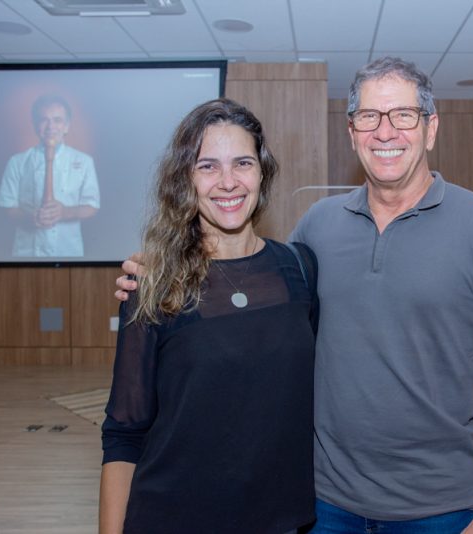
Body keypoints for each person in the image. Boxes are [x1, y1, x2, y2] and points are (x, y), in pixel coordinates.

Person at [117, 57, 473, 533]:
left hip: (444, 508)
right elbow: (250, 284)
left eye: (402, 115)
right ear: (351, 131)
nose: (385, 132)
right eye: (368, 117)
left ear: (430, 128)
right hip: (323, 505)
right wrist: (158, 266)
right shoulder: (317, 228)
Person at [99, 98, 319, 534]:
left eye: (242, 162)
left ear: (262, 172)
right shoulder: (153, 283)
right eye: (207, 166)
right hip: (172, 518)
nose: (228, 182)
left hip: (279, 520)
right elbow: (123, 432)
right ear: (186, 179)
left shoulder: (300, 269)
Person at [0, 94, 100, 257]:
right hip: (27, 252)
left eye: (57, 120)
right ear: (35, 125)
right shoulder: (17, 162)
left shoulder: (84, 161)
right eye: (44, 120)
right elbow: (8, 207)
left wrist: (64, 212)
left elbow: (92, 206)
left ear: (66, 126)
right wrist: (31, 218)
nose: (50, 126)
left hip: (68, 251)